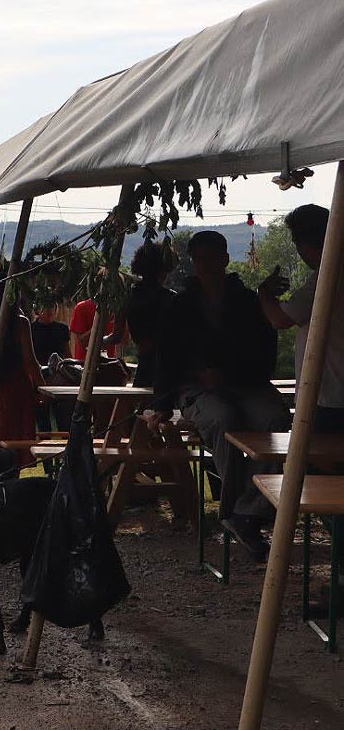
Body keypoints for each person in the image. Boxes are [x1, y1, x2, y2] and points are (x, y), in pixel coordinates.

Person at [149, 230, 289, 560]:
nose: (203, 266)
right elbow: (166, 357)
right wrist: (162, 404)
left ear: (224, 260)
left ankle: (247, 511)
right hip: (196, 390)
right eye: (198, 259)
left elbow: (265, 351)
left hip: (247, 384)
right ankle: (241, 511)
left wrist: (230, 373)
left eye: (210, 258)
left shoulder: (247, 302)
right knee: (225, 419)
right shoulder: (180, 306)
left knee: (276, 418)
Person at [260, 205, 344, 432]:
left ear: (304, 244)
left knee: (319, 454)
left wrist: (264, 293)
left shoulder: (327, 278)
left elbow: (280, 320)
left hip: (326, 395)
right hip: (332, 394)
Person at [0, 275, 42, 468]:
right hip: (18, 388)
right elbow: (30, 361)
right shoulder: (20, 322)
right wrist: (43, 388)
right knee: (15, 442)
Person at [125, 241, 177, 389]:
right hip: (166, 367)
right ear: (163, 270)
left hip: (144, 364)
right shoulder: (170, 299)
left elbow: (116, 336)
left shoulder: (130, 296)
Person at [28, 307, 72, 434]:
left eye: (53, 306)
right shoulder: (31, 329)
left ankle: (66, 444)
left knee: (64, 422)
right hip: (39, 377)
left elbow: (67, 354)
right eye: (46, 306)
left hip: (59, 379)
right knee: (43, 422)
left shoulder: (62, 329)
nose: (49, 310)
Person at [70, 296, 124, 361]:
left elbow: (124, 340)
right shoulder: (82, 308)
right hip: (84, 363)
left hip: (108, 362)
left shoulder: (117, 309)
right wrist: (101, 323)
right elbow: (81, 342)